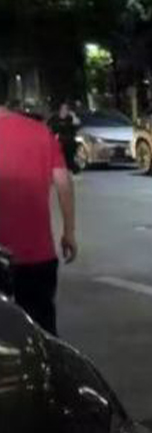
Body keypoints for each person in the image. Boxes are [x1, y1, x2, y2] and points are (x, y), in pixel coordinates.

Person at [0, 90, 78, 335]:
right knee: (42, 332)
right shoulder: (40, 132)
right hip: (38, 255)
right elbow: (63, 182)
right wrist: (69, 232)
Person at [48, 101, 81, 173]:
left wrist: (73, 115)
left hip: (69, 141)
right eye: (63, 109)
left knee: (70, 150)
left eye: (66, 109)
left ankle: (71, 166)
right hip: (58, 140)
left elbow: (77, 124)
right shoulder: (54, 118)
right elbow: (49, 128)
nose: (64, 111)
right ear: (60, 109)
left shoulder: (70, 118)